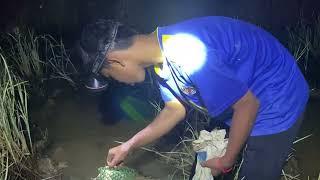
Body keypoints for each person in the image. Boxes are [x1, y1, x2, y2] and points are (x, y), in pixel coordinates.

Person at [79, 17, 309, 179]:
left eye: (111, 75)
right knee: (205, 165)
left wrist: (228, 159)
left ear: (117, 61)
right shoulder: (158, 53)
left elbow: (248, 106)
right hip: (239, 96)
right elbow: (174, 109)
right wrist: (129, 146)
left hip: (277, 98)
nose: (118, 81)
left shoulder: (188, 54)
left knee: (253, 172)